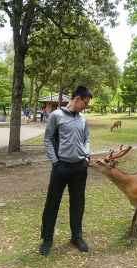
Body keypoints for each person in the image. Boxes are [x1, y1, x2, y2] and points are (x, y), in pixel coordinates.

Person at [40, 85, 93, 256]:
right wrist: (54, 161)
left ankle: (76, 236)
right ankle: (47, 239)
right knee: (52, 203)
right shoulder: (56, 115)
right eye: (85, 103)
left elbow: (86, 139)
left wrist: (86, 156)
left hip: (79, 167)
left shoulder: (82, 119)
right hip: (61, 166)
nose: (86, 106)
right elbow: (48, 139)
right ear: (78, 98)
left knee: (78, 203)